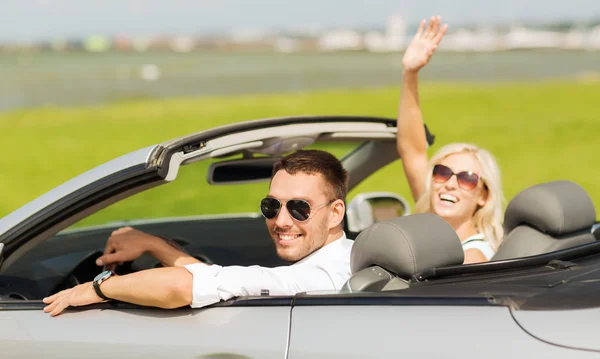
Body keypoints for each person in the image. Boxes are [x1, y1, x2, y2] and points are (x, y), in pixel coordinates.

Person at [43, 149, 353, 316]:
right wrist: (154, 245)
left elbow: (181, 287)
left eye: (299, 208)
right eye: (271, 206)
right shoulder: (352, 256)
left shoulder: (314, 282)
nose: (281, 221)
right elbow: (213, 280)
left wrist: (96, 288)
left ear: (336, 212)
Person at [396, 16, 504, 264]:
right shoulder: (432, 217)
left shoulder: (477, 254)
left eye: (467, 179)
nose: (450, 184)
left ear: (483, 196)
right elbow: (412, 149)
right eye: (442, 172)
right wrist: (409, 73)